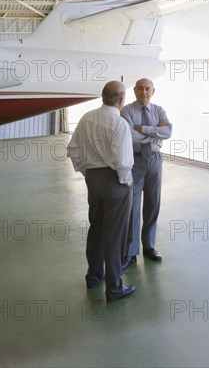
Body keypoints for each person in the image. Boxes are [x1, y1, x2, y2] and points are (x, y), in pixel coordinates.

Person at [67, 81, 135, 302]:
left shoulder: (87, 116)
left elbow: (73, 149)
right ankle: (114, 288)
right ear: (122, 99)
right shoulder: (119, 123)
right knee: (114, 236)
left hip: (94, 179)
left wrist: (86, 171)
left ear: (103, 96)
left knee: (96, 227)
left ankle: (94, 276)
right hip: (115, 181)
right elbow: (122, 161)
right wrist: (126, 182)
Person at [121, 78, 172, 270]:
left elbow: (168, 132)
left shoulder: (159, 110)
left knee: (153, 203)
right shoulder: (126, 111)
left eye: (147, 89)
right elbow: (127, 135)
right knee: (132, 207)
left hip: (155, 161)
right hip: (135, 162)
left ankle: (149, 246)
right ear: (134, 90)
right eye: (140, 89)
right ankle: (130, 252)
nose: (144, 92)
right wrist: (154, 133)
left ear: (153, 91)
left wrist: (143, 129)